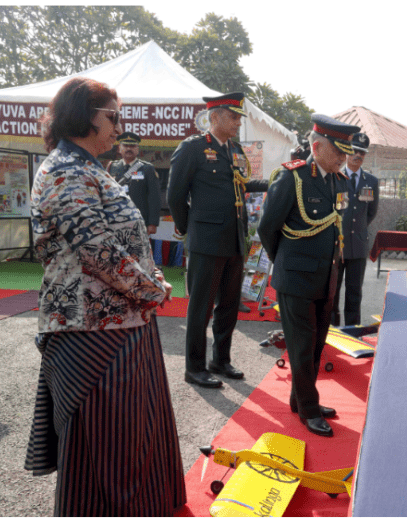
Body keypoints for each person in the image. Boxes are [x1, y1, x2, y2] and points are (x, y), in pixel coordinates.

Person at [24, 77, 186, 516]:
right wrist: (153, 288)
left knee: (134, 438)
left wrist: (151, 275)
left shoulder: (94, 169)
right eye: (112, 117)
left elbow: (127, 240)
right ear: (82, 116)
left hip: (124, 324)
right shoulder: (64, 169)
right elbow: (97, 249)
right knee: (109, 445)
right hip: (88, 331)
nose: (119, 127)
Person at [258, 114, 359, 437]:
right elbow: (267, 227)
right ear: (316, 147)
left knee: (315, 344)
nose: (344, 158)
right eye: (338, 152)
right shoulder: (292, 178)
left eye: (346, 153)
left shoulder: (339, 181)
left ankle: (300, 400)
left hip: (326, 277)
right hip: (296, 278)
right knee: (301, 346)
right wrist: (284, 262)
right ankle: (310, 409)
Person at [168, 92, 268, 388]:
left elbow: (242, 183)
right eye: (234, 117)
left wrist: (273, 181)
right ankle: (194, 367)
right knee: (201, 307)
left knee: (229, 304)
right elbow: (175, 195)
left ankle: (220, 360)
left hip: (235, 239)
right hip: (206, 242)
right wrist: (190, 230)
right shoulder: (193, 148)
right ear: (214, 117)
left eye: (239, 117)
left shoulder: (235, 150)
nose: (238, 123)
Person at [332, 132, 379, 326]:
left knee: (354, 293)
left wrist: (357, 231)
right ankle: (331, 331)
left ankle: (352, 330)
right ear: (346, 152)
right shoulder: (335, 177)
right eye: (354, 150)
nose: (357, 155)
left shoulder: (371, 181)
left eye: (362, 152)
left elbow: (371, 213)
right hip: (336, 245)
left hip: (358, 246)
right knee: (332, 292)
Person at [107, 131, 161, 236]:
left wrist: (153, 223)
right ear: (119, 148)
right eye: (125, 146)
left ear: (137, 149)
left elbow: (154, 197)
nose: (128, 149)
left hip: (138, 221)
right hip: (115, 220)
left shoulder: (147, 168)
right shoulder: (112, 167)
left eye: (132, 146)